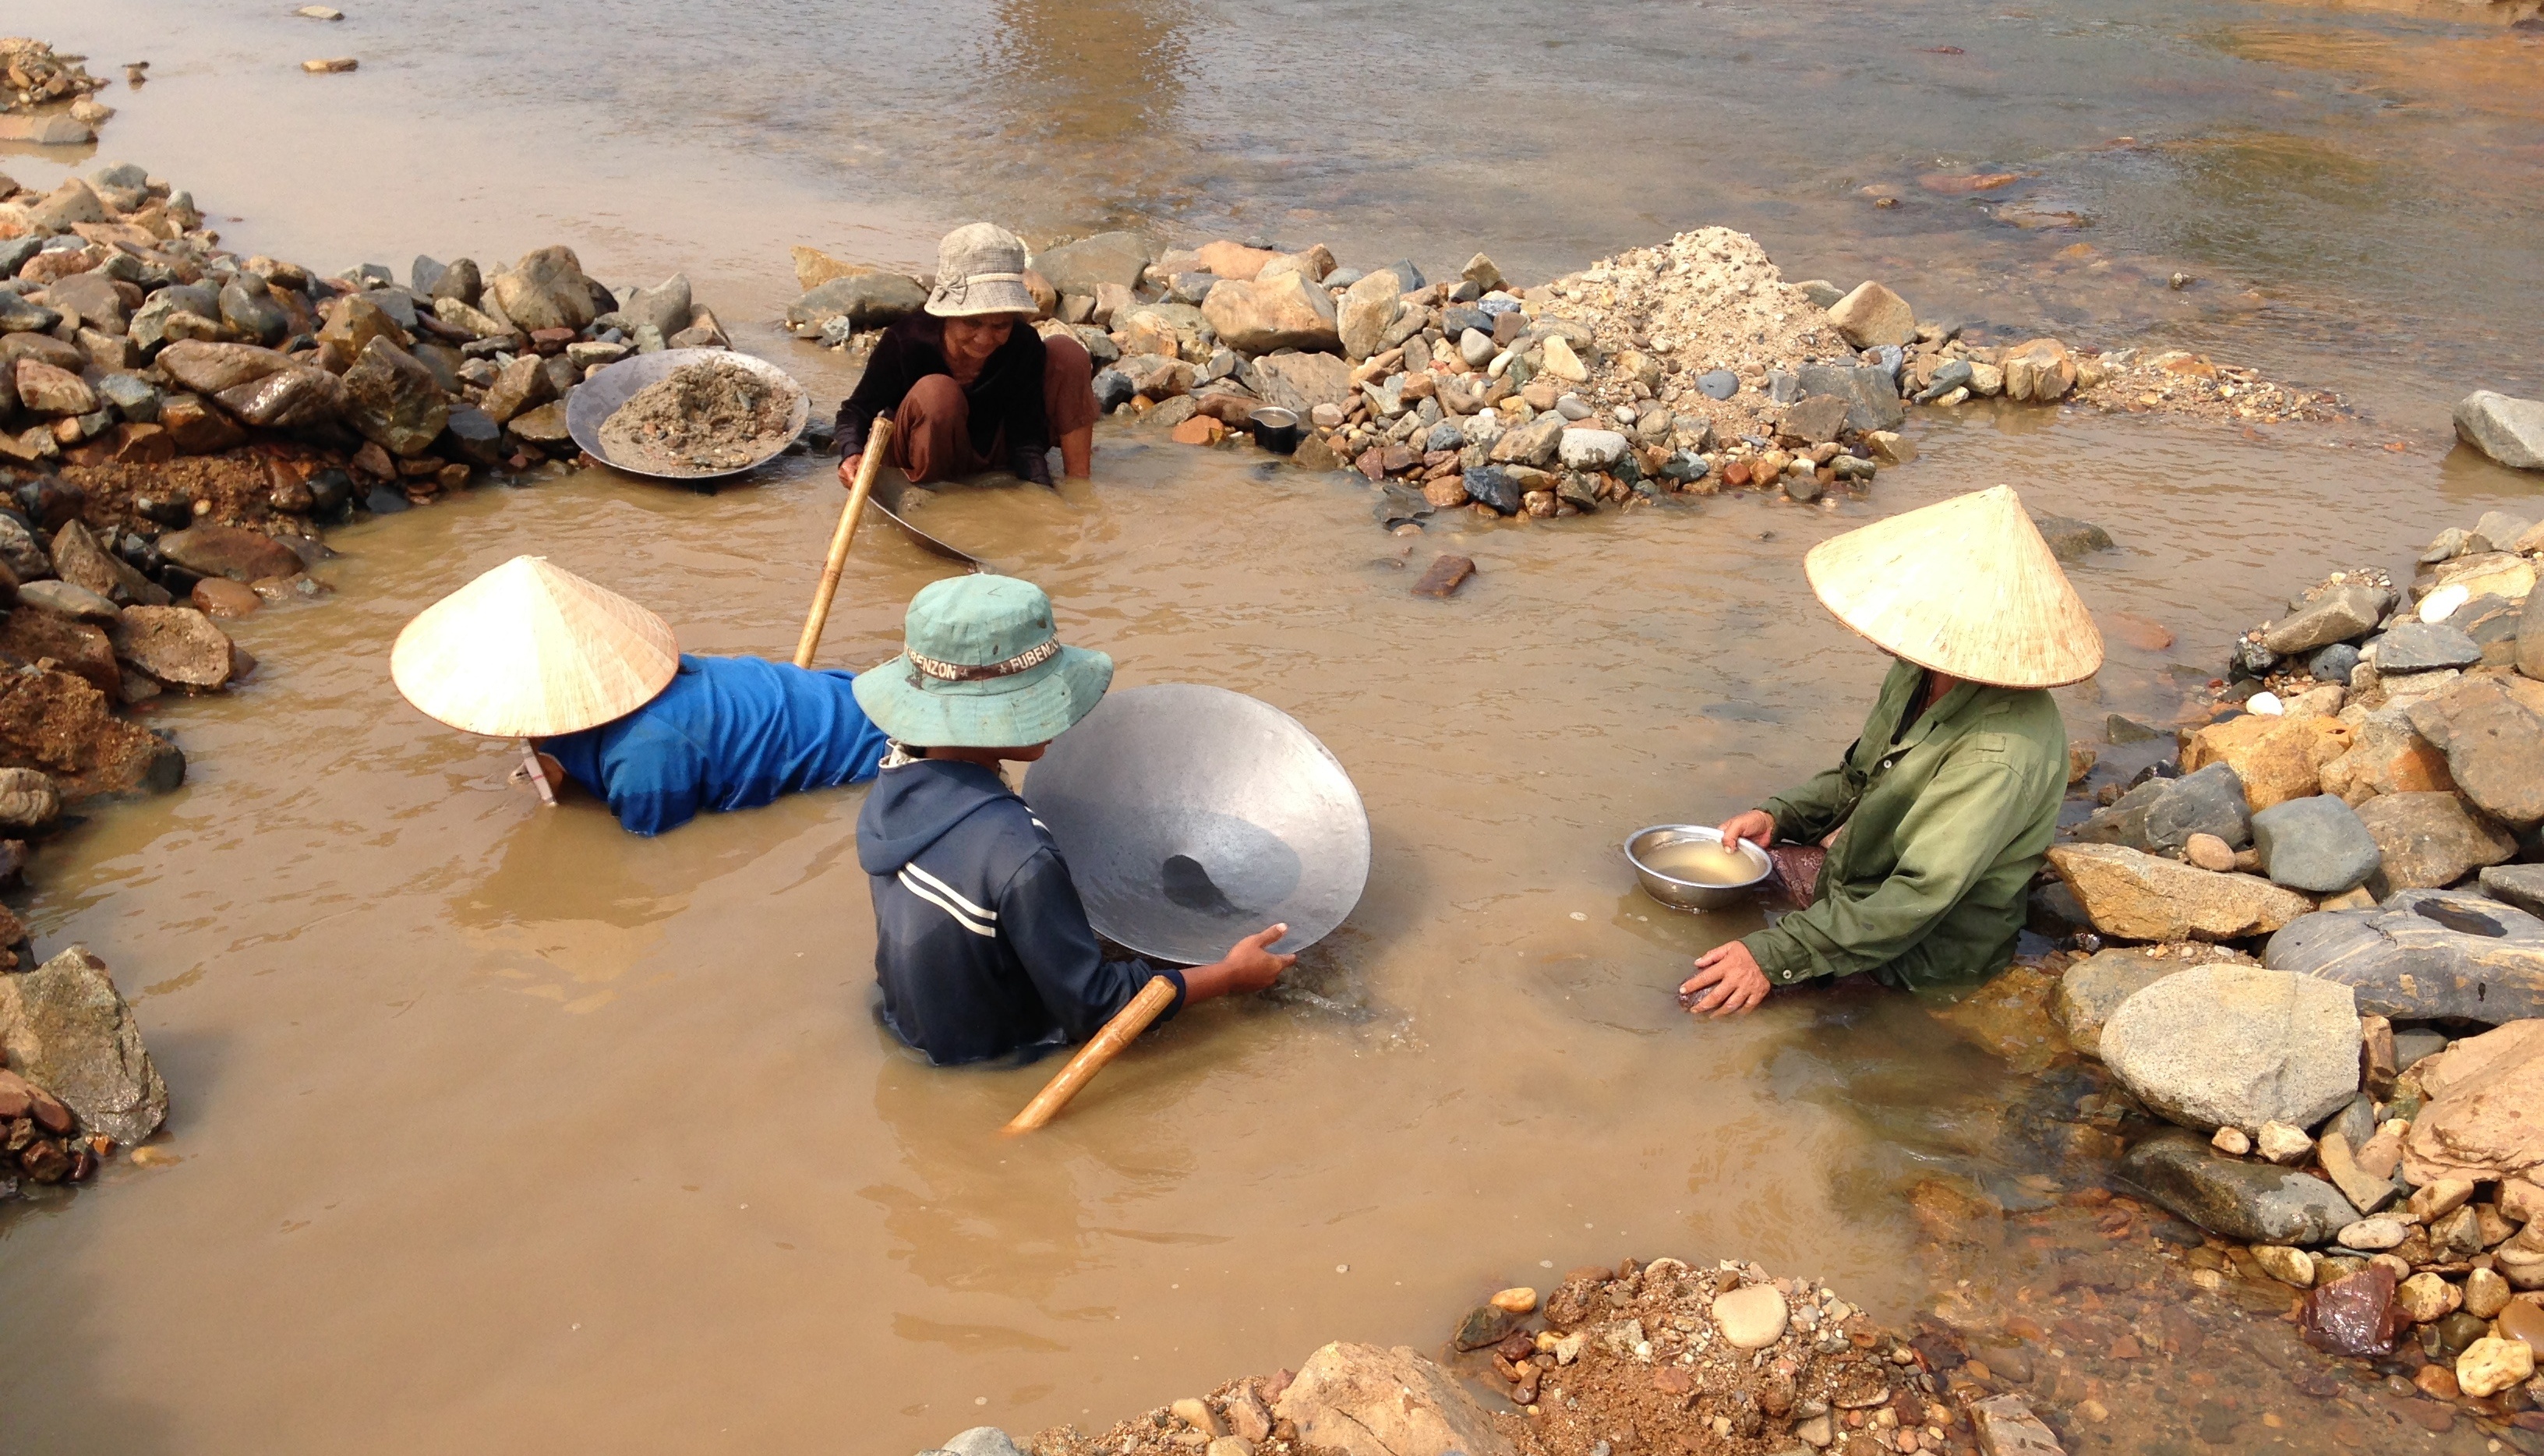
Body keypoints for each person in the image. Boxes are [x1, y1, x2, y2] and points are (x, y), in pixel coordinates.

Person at [1679, 486, 2104, 1017]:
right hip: (1863, 883)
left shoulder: (2001, 752)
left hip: (1919, 949)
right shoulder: (1920, 669)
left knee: (1699, 997)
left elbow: (1914, 900)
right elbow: (1857, 777)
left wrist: (1769, 957)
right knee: (1717, 876)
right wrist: (1777, 815)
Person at [852, 574, 1294, 1065]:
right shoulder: (1019, 852)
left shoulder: (894, 782)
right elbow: (1096, 1008)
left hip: (913, 1024)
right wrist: (1229, 977)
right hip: (999, 1055)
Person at [390, 555, 891, 836]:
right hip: (852, 696)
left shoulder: (644, 758)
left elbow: (656, 855)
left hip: (876, 756)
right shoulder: (660, 681)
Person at [834, 223, 1098, 489]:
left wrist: (1042, 492)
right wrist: (851, 453)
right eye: (972, 323)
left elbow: (1025, 436)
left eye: (1000, 326)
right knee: (937, 392)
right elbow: (856, 411)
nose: (985, 339)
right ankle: (931, 494)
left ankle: (1080, 483)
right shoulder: (906, 340)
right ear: (950, 314)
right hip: (921, 453)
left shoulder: (1022, 343)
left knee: (1067, 353)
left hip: (992, 452)